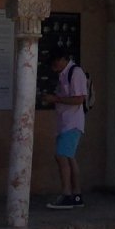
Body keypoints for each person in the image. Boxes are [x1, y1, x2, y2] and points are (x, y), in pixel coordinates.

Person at [41, 47, 86, 209]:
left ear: (61, 60)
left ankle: (67, 193)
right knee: (69, 157)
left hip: (72, 123)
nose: (54, 68)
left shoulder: (75, 73)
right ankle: (76, 195)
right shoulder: (63, 75)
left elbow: (79, 99)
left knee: (61, 156)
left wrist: (56, 99)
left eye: (55, 64)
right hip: (64, 122)